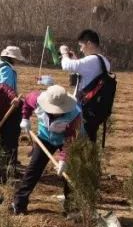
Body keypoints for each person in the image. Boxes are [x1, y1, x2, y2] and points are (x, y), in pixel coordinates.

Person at [11, 85, 82, 215]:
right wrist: (25, 118)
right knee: (34, 168)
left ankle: (71, 208)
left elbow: (70, 140)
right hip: (44, 138)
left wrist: (64, 159)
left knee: (70, 173)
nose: (54, 112)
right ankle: (19, 203)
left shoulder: (74, 115)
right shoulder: (36, 99)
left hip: (64, 140)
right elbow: (27, 102)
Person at [59, 30, 112, 142]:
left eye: (81, 45)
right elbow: (87, 75)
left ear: (89, 44)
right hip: (94, 108)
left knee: (79, 144)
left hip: (84, 109)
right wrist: (75, 59)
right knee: (88, 141)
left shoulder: (92, 59)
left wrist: (64, 53)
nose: (81, 49)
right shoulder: (104, 61)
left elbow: (67, 66)